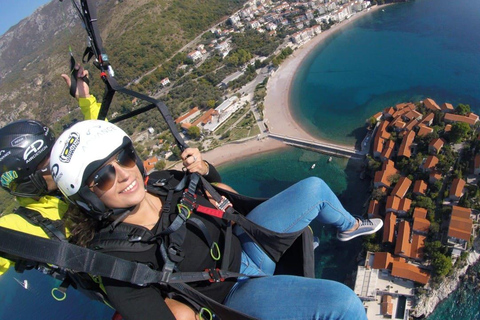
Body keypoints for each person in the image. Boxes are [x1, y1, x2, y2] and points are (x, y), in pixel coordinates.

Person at [50, 120, 383, 320]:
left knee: (314, 189)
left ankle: (349, 228)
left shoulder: (163, 182)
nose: (124, 175)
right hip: (233, 295)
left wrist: (206, 169)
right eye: (104, 177)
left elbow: (222, 194)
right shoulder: (118, 260)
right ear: (89, 195)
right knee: (342, 303)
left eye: (123, 158)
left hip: (245, 248)